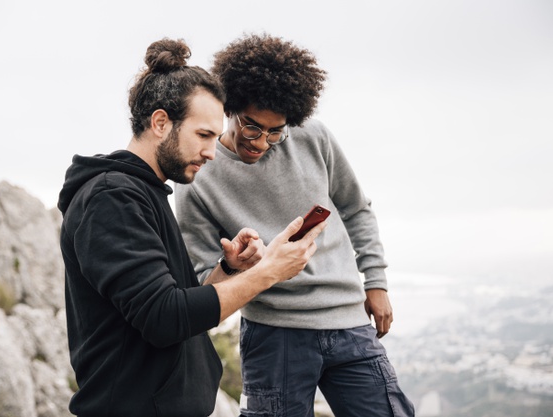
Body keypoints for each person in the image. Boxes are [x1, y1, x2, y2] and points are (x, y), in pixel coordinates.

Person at [57, 38, 325, 417]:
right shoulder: (110, 198)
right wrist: (268, 273)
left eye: (216, 138)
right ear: (161, 122)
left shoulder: (145, 193)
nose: (212, 152)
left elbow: (179, 309)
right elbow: (164, 319)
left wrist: (229, 271)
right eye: (203, 135)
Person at [174, 33, 415, 416]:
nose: (262, 142)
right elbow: (206, 285)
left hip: (348, 321)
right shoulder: (197, 176)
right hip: (273, 335)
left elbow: (356, 209)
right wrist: (236, 265)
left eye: (276, 132)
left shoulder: (313, 137)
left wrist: (377, 281)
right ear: (231, 108)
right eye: (251, 128)